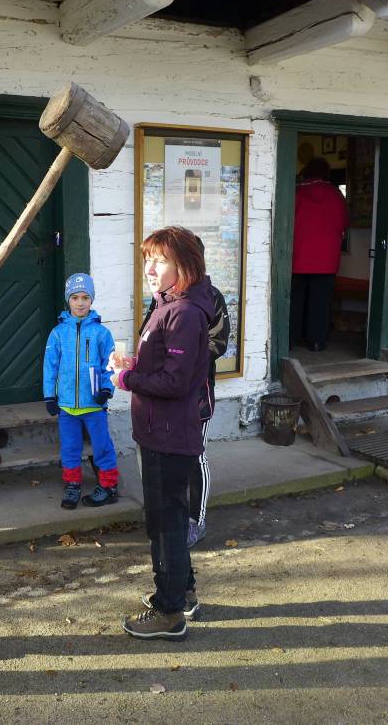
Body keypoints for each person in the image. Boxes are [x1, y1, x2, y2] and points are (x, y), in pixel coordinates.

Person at [111, 226, 214, 640]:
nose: (149, 269)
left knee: (166, 522)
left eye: (159, 261)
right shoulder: (168, 305)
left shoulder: (185, 313)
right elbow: (169, 366)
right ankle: (182, 590)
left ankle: (169, 612)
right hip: (157, 430)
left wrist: (126, 379)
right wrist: (135, 362)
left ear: (184, 266)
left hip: (170, 433)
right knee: (166, 518)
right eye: (147, 259)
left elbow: (174, 383)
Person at [142, 239, 229, 547]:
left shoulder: (209, 297)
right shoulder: (164, 297)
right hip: (166, 396)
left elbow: (218, 343)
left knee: (196, 457)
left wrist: (181, 358)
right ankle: (172, 521)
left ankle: (198, 519)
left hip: (197, 395)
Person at [42, 273, 120, 510]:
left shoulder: (101, 333)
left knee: (102, 445)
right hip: (66, 405)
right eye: (75, 297)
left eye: (86, 297)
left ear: (92, 300)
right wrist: (49, 395)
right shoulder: (57, 333)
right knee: (69, 447)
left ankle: (108, 485)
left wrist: (106, 389)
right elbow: (50, 365)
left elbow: (111, 364)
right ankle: (72, 484)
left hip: (94, 405)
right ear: (68, 300)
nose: (80, 302)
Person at [291, 157, 350, 352]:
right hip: (326, 259)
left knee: (295, 300)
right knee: (320, 302)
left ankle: (291, 338)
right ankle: (316, 341)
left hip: (298, 257)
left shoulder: (297, 193)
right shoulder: (336, 195)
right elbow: (343, 224)